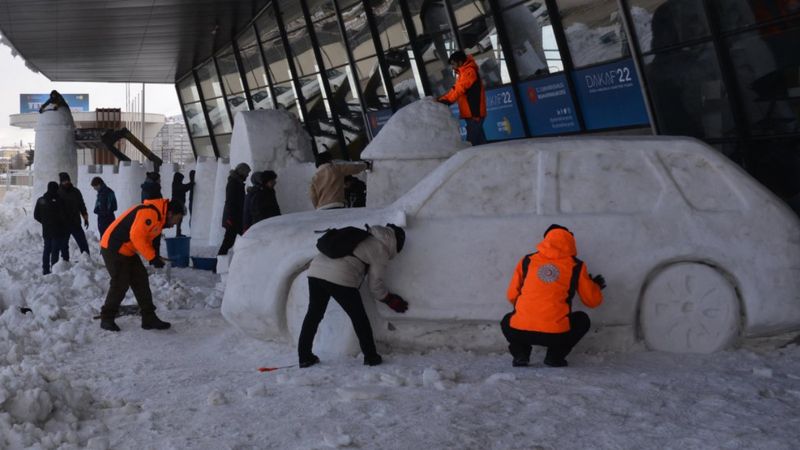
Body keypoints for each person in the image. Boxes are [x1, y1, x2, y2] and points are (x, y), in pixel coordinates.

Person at [298, 224, 408, 368]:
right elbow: (375, 286)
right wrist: (388, 299)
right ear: (395, 243)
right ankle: (371, 356)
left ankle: (304, 356)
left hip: (315, 271)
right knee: (359, 318)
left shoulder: (362, 236)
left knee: (313, 314)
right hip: (340, 277)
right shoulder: (381, 250)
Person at [501, 224, 605, 368]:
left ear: (546, 240)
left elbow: (512, 295)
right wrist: (595, 287)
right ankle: (555, 357)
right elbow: (592, 301)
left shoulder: (527, 260)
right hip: (556, 336)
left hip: (520, 332)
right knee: (582, 320)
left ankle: (521, 354)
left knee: (507, 320)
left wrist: (529, 309)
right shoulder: (576, 266)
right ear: (570, 241)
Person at [98, 198, 184, 332]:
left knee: (141, 279)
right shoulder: (150, 213)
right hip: (113, 246)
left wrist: (154, 256)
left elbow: (145, 237)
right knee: (120, 282)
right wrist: (152, 257)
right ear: (170, 213)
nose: (174, 225)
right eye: (176, 220)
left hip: (127, 249)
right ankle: (107, 318)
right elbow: (136, 236)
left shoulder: (158, 218)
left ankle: (149, 317)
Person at [436, 50, 487, 146]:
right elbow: (455, 89)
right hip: (471, 114)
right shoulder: (463, 72)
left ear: (460, 62)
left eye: (453, 64)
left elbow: (459, 89)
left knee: (471, 144)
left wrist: (446, 100)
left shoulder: (469, 72)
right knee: (480, 143)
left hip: (474, 114)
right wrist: (443, 98)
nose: (452, 67)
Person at [33, 181, 69, 275]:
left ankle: (45, 270)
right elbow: (64, 216)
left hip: (46, 230)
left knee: (47, 250)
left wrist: (44, 222)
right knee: (55, 250)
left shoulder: (41, 200)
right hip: (58, 230)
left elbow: (36, 215)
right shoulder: (60, 201)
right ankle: (54, 270)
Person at [218, 162, 251, 255]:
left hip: (236, 217)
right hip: (233, 218)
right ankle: (217, 264)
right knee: (228, 242)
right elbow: (231, 202)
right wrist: (229, 219)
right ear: (242, 172)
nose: (247, 175)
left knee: (231, 241)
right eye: (246, 173)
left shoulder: (237, 182)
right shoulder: (233, 183)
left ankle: (218, 264)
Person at [57, 172, 90, 257]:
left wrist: (85, 218)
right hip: (63, 224)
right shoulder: (57, 193)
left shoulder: (76, 192)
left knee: (83, 243)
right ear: (61, 182)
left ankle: (86, 259)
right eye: (64, 181)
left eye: (67, 180)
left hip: (75, 222)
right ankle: (65, 261)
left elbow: (82, 205)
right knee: (63, 245)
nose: (66, 182)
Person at [171, 172, 193, 236]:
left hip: (178, 204)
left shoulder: (176, 184)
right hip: (177, 204)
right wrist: (191, 184)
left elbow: (184, 187)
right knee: (178, 219)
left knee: (179, 219)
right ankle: (178, 233)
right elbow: (183, 188)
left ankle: (178, 233)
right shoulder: (176, 185)